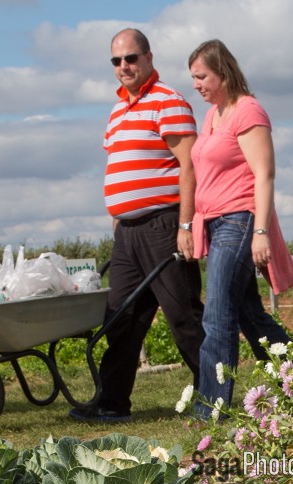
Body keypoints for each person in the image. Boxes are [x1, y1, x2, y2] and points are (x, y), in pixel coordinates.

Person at [72, 27, 205, 423]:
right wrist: (117, 221)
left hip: (164, 226)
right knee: (121, 319)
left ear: (148, 57)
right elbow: (118, 169)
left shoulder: (169, 102)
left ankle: (214, 396)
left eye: (131, 58)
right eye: (116, 60)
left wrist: (185, 224)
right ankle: (113, 402)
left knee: (183, 316)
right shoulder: (116, 112)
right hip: (126, 234)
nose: (124, 66)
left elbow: (190, 167)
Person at [186, 39, 293, 418]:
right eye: (194, 78)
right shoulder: (213, 115)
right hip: (216, 223)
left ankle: (210, 409)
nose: (197, 84)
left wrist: (261, 232)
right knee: (250, 315)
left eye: (202, 76)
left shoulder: (247, 111)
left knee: (216, 315)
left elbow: (264, 174)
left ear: (222, 72)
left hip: (239, 219)